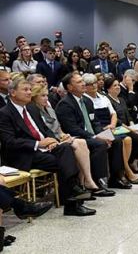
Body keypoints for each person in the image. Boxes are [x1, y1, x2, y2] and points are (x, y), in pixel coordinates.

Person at [0, 77, 96, 215]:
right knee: (65, 160)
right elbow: (9, 142)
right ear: (13, 92)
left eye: (30, 89)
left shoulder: (31, 108)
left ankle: (73, 195)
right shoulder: (4, 113)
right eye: (25, 89)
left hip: (44, 149)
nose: (29, 92)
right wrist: (38, 144)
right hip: (24, 154)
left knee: (67, 148)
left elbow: (45, 129)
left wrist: (52, 140)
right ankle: (73, 198)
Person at [55, 72, 116, 197]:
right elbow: (72, 128)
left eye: (82, 81)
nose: (83, 84)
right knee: (99, 144)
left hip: (90, 135)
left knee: (115, 140)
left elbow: (95, 122)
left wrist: (102, 134)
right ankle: (97, 182)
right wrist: (95, 136)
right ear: (69, 87)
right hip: (77, 138)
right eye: (79, 82)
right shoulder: (65, 104)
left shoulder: (87, 101)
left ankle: (116, 178)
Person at [29, 84, 100, 191]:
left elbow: (59, 129)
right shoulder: (34, 112)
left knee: (81, 142)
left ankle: (84, 181)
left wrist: (64, 135)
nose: (46, 98)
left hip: (59, 138)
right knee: (77, 145)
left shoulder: (50, 109)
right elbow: (42, 132)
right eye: (43, 96)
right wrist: (58, 139)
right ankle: (84, 183)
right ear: (34, 97)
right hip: (49, 142)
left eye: (47, 95)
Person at [82, 73, 135, 188]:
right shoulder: (85, 100)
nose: (93, 86)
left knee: (129, 137)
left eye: (94, 83)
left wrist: (112, 124)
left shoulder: (103, 97)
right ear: (84, 86)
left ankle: (123, 170)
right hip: (99, 129)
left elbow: (113, 114)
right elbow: (92, 122)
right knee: (118, 140)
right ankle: (121, 173)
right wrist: (104, 129)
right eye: (90, 84)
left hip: (110, 126)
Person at [105, 77, 138, 179]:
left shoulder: (121, 99)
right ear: (108, 89)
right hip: (118, 127)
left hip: (128, 126)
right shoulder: (107, 100)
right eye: (114, 86)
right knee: (136, 138)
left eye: (118, 85)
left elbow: (128, 115)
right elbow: (116, 120)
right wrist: (130, 129)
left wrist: (132, 125)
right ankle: (127, 164)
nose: (118, 87)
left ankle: (136, 160)